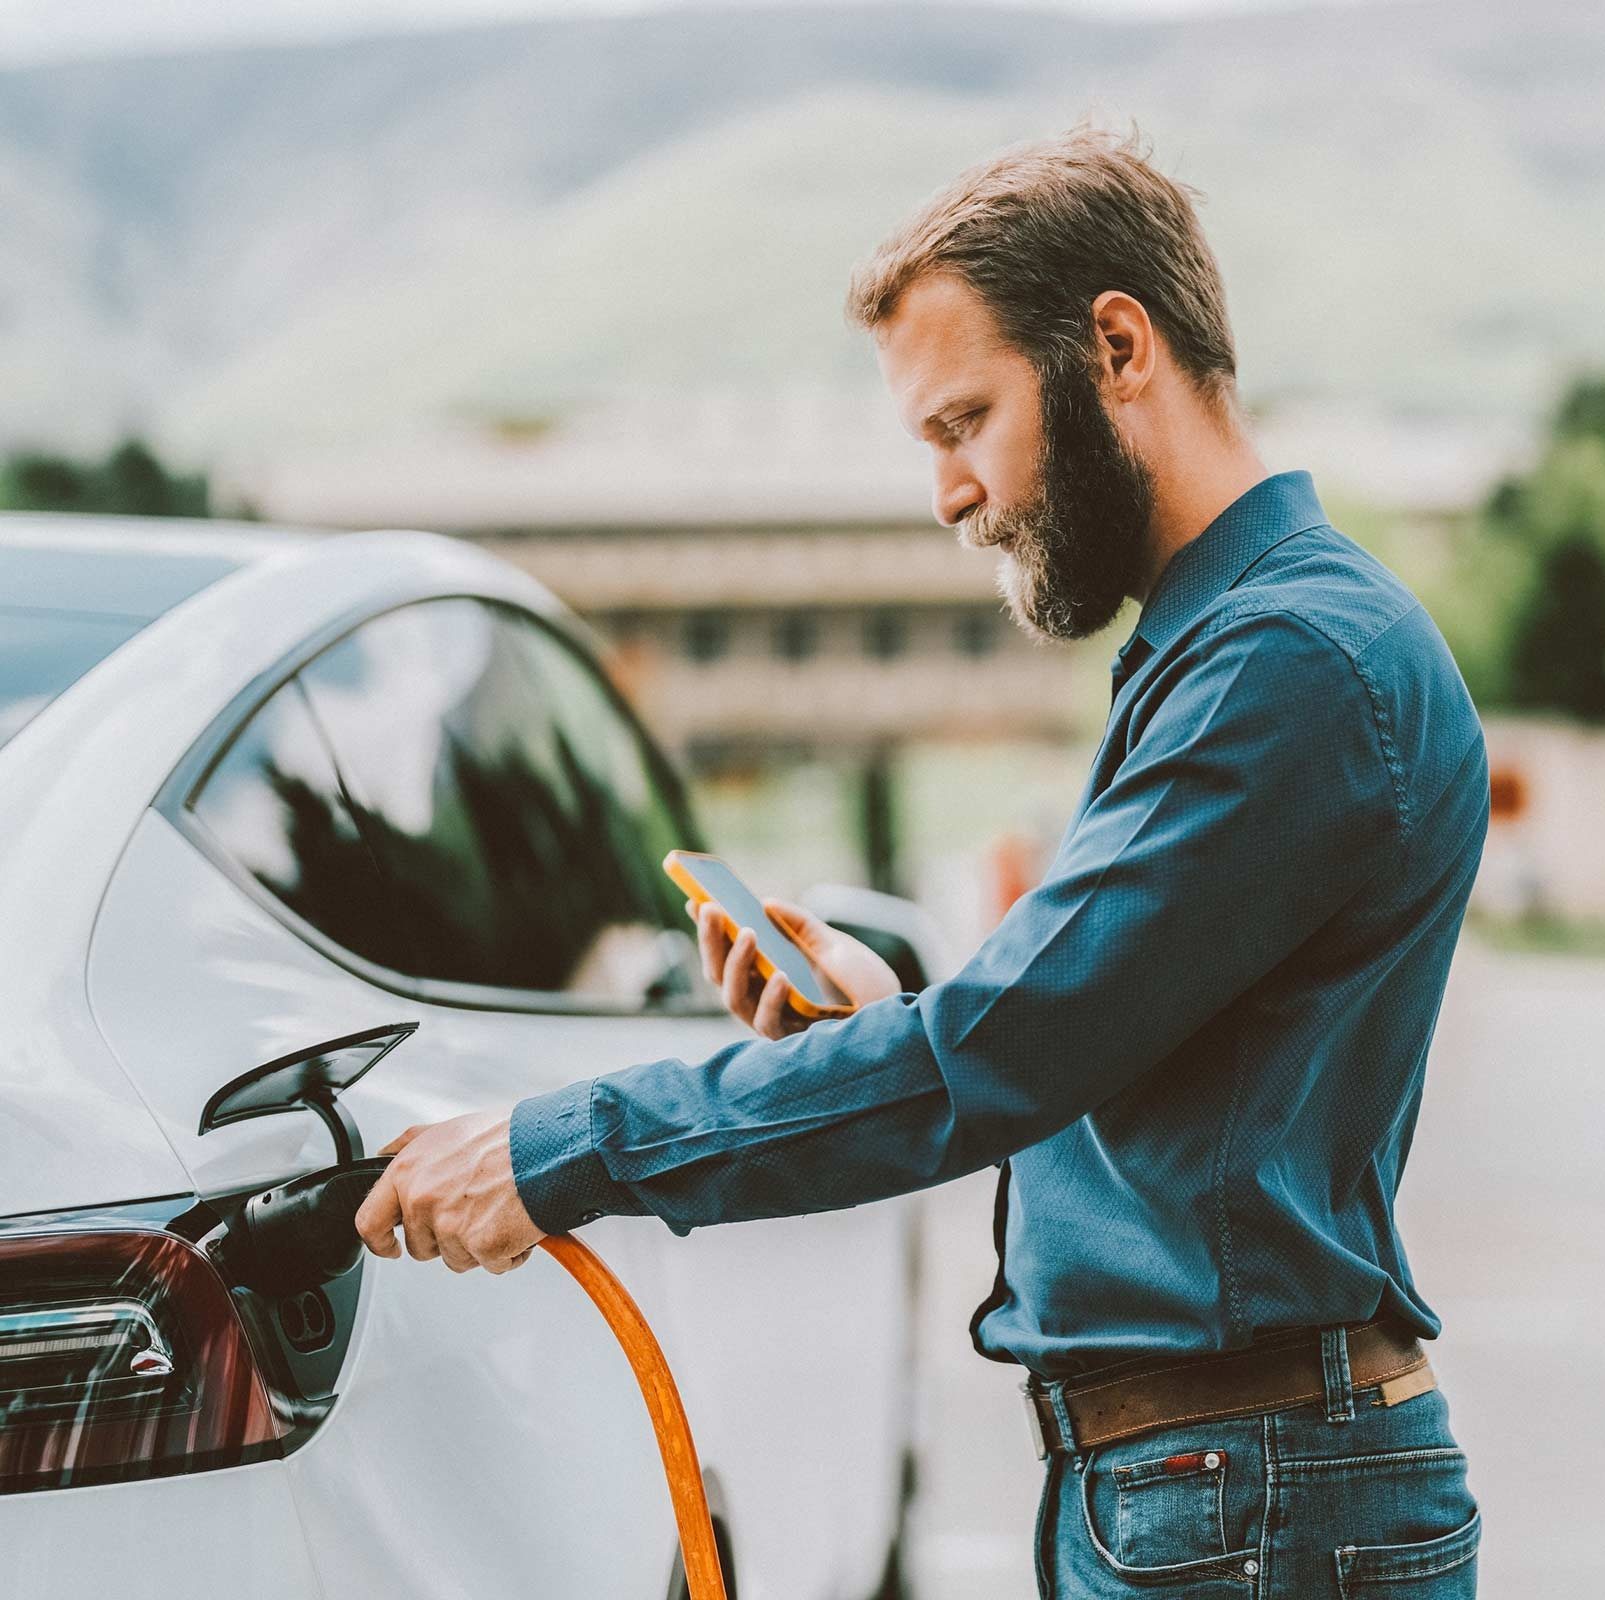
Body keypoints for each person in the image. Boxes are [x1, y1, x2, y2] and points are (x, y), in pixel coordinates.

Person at [353, 124, 1490, 1598]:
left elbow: (1001, 1056)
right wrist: (884, 987)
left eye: (964, 421)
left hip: (1251, 1503)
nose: (949, 492)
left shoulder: (1289, 664)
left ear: (1118, 348)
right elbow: (1120, 1028)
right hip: (1228, 1492)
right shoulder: (1240, 644)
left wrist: (555, 1152)